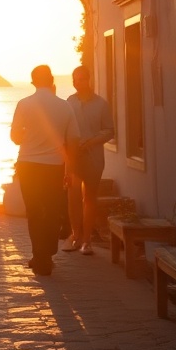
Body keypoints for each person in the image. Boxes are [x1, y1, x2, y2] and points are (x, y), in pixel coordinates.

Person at [10, 64, 77, 276]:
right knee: (51, 210)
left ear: (33, 82)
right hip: (54, 166)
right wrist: (70, 168)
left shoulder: (24, 104)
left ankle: (41, 256)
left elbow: (15, 138)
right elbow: (73, 139)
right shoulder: (65, 106)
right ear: (52, 80)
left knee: (35, 212)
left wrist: (25, 133)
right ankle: (45, 253)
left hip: (28, 164)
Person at [62, 65, 115, 256]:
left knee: (90, 199)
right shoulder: (69, 102)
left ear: (89, 79)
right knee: (72, 197)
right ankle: (75, 235)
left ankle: (87, 240)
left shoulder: (101, 104)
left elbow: (109, 130)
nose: (78, 82)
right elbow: (64, 130)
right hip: (74, 158)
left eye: (81, 78)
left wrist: (91, 142)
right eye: (75, 79)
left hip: (93, 158)